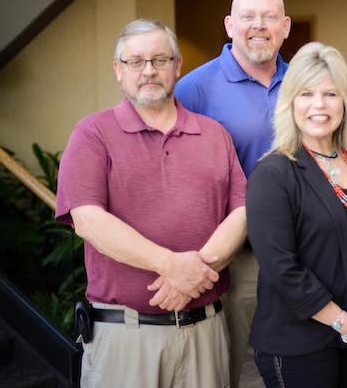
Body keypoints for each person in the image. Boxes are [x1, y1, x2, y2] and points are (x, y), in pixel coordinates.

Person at [56, 19, 247, 387]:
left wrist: (193, 273)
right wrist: (171, 266)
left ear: (177, 66)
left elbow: (241, 211)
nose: (149, 70)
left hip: (204, 332)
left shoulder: (213, 134)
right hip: (126, 338)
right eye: (135, 61)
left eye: (160, 59)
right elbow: (88, 219)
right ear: (118, 70)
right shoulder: (93, 133)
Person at [245, 42, 347, 388]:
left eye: (330, 94)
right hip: (299, 347)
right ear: (290, 103)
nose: (319, 105)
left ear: (345, 101)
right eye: (306, 94)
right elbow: (282, 269)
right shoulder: (274, 174)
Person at [176, 0, 291, 388]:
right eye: (248, 16)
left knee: (293, 364)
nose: (259, 26)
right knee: (230, 366)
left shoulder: (302, 84)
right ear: (229, 25)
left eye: (270, 17)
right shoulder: (194, 88)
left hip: (301, 250)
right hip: (237, 257)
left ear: (286, 27)